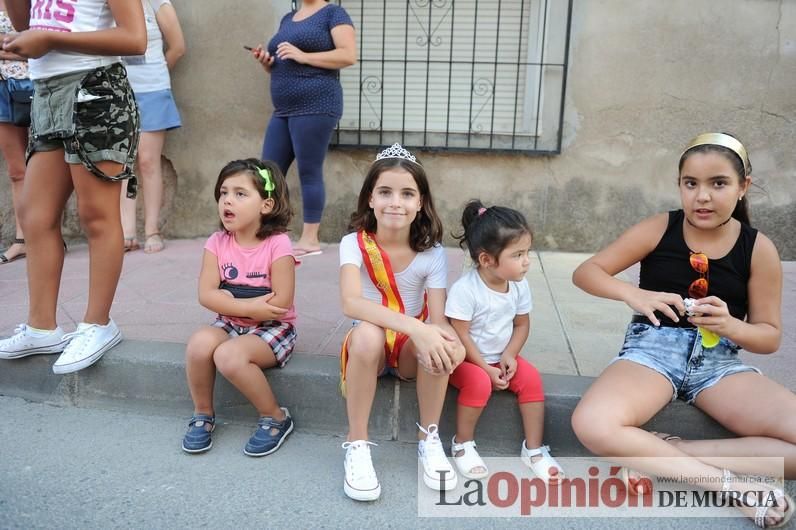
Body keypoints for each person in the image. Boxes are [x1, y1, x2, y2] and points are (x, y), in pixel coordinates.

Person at [571, 133, 794, 528]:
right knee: (592, 422)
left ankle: (668, 451)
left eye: (718, 183)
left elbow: (769, 336)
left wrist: (730, 325)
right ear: (680, 186)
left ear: (743, 187)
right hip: (652, 352)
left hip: (720, 364)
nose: (702, 196)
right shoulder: (661, 227)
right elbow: (586, 272)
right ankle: (730, 487)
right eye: (691, 184)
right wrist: (634, 295)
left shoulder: (758, 248)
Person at [0, 0, 145, 373]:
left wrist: (50, 39)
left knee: (96, 214)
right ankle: (41, 326)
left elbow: (135, 38)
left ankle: (98, 324)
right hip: (46, 92)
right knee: (34, 215)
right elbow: (26, 24)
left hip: (95, 89)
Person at [338, 143, 465, 501]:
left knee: (443, 340)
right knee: (366, 335)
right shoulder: (354, 244)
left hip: (412, 352)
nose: (396, 202)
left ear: (421, 202)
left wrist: (437, 336)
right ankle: (358, 443)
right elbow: (351, 303)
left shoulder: (433, 253)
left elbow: (437, 320)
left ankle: (429, 439)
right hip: (372, 351)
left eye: (407, 193)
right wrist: (416, 327)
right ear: (370, 200)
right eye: (385, 192)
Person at [181, 159, 297, 456]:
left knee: (228, 357)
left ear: (266, 205)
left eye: (240, 194)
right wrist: (247, 307)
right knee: (198, 345)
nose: (227, 200)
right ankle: (203, 414)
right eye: (223, 193)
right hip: (232, 322)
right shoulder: (217, 242)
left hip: (273, 327)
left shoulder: (278, 244)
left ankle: (275, 416)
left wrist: (234, 303)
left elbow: (280, 303)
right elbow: (207, 295)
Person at [445, 200, 564, 481]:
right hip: (465, 358)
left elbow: (522, 324)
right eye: (518, 254)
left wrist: (510, 354)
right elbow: (460, 335)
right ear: (487, 259)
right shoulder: (466, 290)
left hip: (501, 357)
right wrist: (486, 369)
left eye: (527, 252)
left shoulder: (519, 285)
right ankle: (462, 444)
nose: (527, 261)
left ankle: (534, 449)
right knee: (478, 382)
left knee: (532, 378)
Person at [250, 0, 356, 258]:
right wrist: (267, 61)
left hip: (316, 104)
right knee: (267, 171)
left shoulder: (334, 13)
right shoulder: (288, 17)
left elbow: (348, 55)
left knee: (309, 171)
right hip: (284, 109)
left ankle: (310, 239)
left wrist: (304, 55)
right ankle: (273, 232)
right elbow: (281, 63)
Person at [120, 0, 185, 254]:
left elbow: (178, 47)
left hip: (152, 90)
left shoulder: (157, 2)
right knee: (121, 165)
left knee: (148, 161)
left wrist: (155, 72)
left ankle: (152, 230)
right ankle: (126, 232)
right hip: (117, 93)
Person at [0, 0, 29, 264]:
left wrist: (6, 51)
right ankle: (23, 240)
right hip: (0, 91)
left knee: (55, 161)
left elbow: (42, 48)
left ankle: (48, 234)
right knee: (16, 170)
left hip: (33, 85)